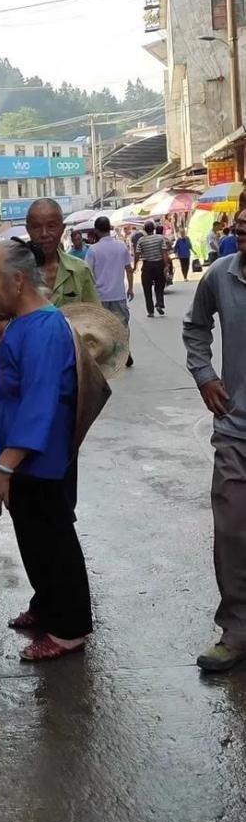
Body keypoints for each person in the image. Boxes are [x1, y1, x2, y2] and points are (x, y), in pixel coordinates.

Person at [0, 239, 92, 663]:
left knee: (53, 542)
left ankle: (69, 629)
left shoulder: (42, 329)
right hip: (28, 461)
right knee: (34, 538)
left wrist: (4, 468)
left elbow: (39, 405)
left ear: (18, 279)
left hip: (38, 461)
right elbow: (19, 386)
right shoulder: (23, 323)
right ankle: (47, 604)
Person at [182, 207, 246, 672]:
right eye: (241, 221)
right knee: (231, 531)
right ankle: (237, 630)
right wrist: (205, 374)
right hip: (236, 428)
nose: (242, 228)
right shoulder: (221, 276)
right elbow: (196, 325)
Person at [25, 199, 100, 307]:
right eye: (36, 227)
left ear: (62, 229)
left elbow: (95, 315)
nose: (44, 234)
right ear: (28, 230)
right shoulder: (15, 274)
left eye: (51, 226)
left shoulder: (80, 270)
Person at [86, 216, 134, 367]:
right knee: (122, 325)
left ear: (96, 231)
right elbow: (129, 269)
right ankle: (125, 352)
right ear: (110, 228)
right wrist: (131, 288)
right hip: (119, 293)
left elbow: (87, 273)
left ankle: (108, 356)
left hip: (100, 296)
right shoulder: (121, 246)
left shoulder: (93, 250)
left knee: (102, 328)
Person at [134, 220, 170, 317]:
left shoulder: (141, 240)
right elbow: (164, 252)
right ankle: (159, 303)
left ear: (144, 230)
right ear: (154, 229)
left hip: (147, 266)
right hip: (159, 264)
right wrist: (166, 265)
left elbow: (137, 254)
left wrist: (135, 265)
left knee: (147, 288)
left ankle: (150, 311)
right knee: (160, 285)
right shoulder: (160, 238)